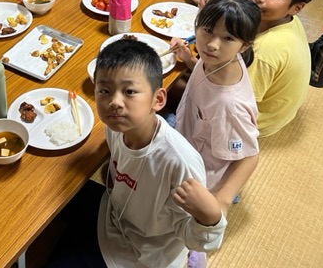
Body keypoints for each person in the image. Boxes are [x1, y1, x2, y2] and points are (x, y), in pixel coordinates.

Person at [47, 39, 226, 268]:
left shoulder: (179, 162)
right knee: (49, 200)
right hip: (115, 214)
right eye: (105, 91)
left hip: (145, 254)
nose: (114, 102)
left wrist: (211, 217)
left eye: (129, 91)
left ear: (158, 99)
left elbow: (199, 239)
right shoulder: (116, 127)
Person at [170, 0, 261, 217]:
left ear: (244, 46)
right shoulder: (218, 59)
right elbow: (203, 73)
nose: (212, 44)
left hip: (201, 172)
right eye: (208, 30)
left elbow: (250, 155)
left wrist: (222, 201)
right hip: (188, 131)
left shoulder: (229, 105)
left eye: (228, 38)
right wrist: (189, 59)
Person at [244, 0, 319, 137]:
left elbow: (236, 101)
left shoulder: (266, 49)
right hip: (277, 112)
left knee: (182, 85)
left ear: (296, 8)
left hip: (255, 122)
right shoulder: (289, 19)